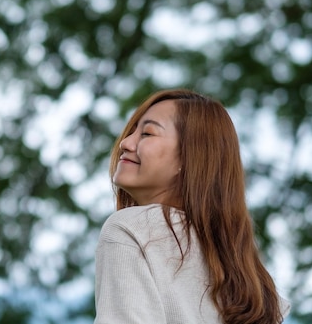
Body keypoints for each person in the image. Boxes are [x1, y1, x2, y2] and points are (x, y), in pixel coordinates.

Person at [94, 89, 289, 324]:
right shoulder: (249, 279)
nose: (125, 142)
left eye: (147, 133)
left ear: (189, 158)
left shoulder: (130, 229)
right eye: (132, 131)